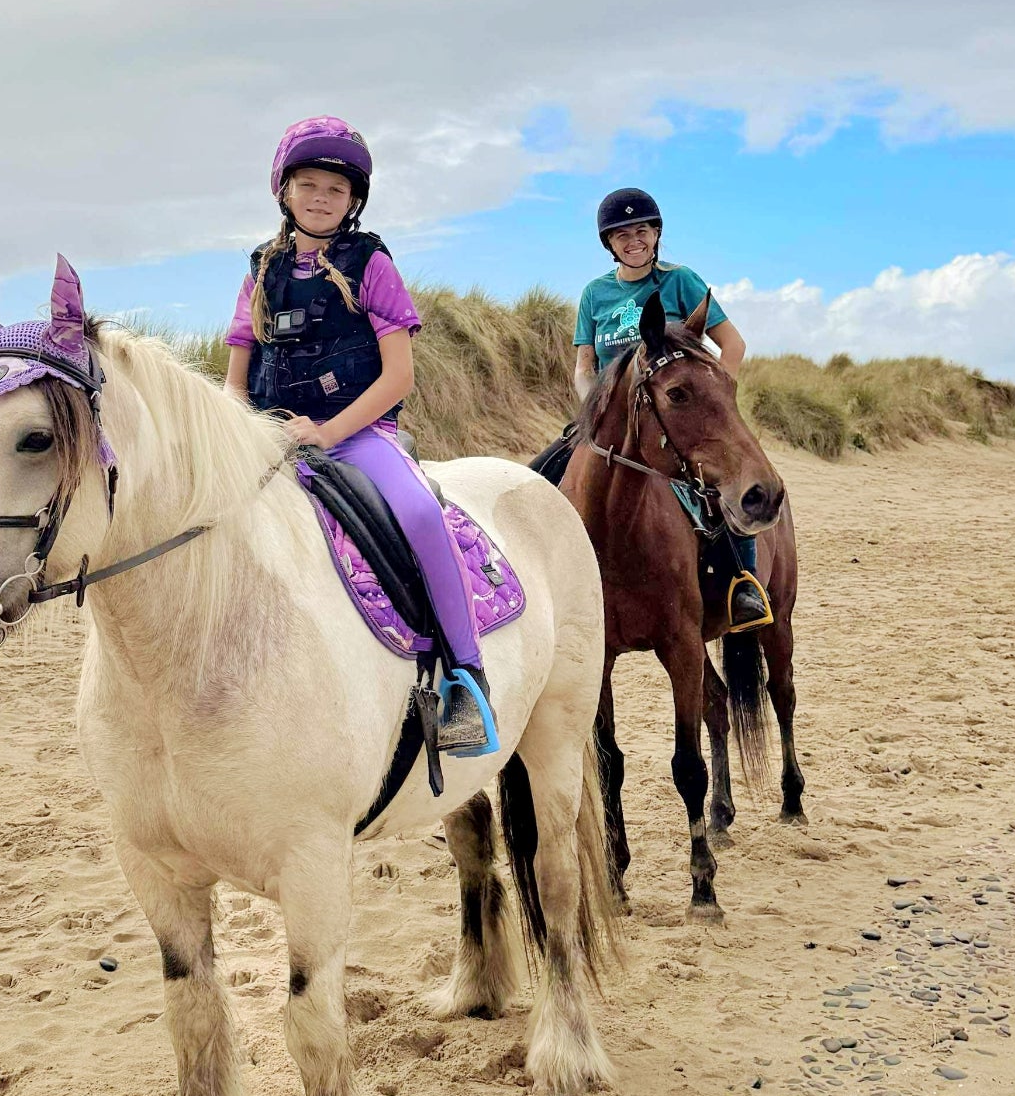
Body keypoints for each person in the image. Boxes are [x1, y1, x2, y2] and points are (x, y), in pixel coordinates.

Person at [224, 116, 496, 754]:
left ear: (353, 202)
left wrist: (325, 432)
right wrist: (243, 433)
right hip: (268, 437)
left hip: (356, 435)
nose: (321, 198)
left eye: (336, 190)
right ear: (284, 192)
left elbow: (397, 375)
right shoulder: (260, 271)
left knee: (422, 515)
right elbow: (237, 366)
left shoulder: (370, 263)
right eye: (309, 185)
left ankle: (465, 675)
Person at [533, 186, 770, 629]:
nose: (633, 241)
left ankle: (743, 583)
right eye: (621, 235)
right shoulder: (594, 294)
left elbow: (732, 344)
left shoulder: (680, 280)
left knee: (721, 488)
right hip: (612, 421)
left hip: (675, 414)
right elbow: (584, 366)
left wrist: (712, 403)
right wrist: (597, 408)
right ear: (609, 244)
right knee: (538, 479)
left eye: (641, 230)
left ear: (656, 234)